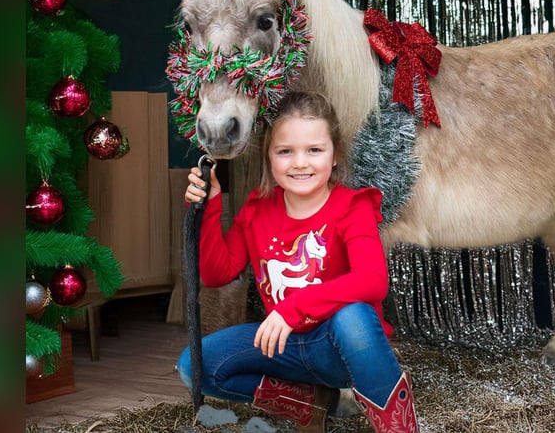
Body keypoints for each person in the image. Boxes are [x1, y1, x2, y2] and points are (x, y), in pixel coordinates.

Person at [176, 90, 419, 432]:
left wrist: (291, 309)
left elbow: (373, 281)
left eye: (314, 150)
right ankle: (313, 404)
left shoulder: (353, 207)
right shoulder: (258, 209)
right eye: (285, 151)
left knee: (354, 315)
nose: (300, 163)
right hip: (283, 350)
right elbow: (218, 273)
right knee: (194, 365)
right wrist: (209, 204)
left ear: (334, 155)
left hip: (339, 351)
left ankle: (398, 427)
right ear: (269, 157)